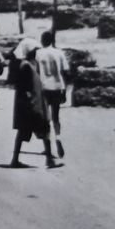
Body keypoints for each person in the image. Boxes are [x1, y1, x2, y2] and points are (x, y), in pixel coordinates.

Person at [8, 37, 59, 169]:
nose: (36, 52)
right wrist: (32, 103)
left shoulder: (33, 63)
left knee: (30, 131)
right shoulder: (25, 66)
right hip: (31, 104)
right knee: (41, 129)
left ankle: (17, 159)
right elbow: (24, 88)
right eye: (34, 50)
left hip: (36, 101)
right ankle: (49, 160)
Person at [35, 29, 69, 160]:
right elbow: (65, 71)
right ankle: (58, 138)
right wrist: (65, 90)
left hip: (44, 87)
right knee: (56, 116)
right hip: (57, 86)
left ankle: (47, 146)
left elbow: (37, 71)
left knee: (45, 118)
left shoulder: (38, 53)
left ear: (43, 41)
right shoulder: (59, 53)